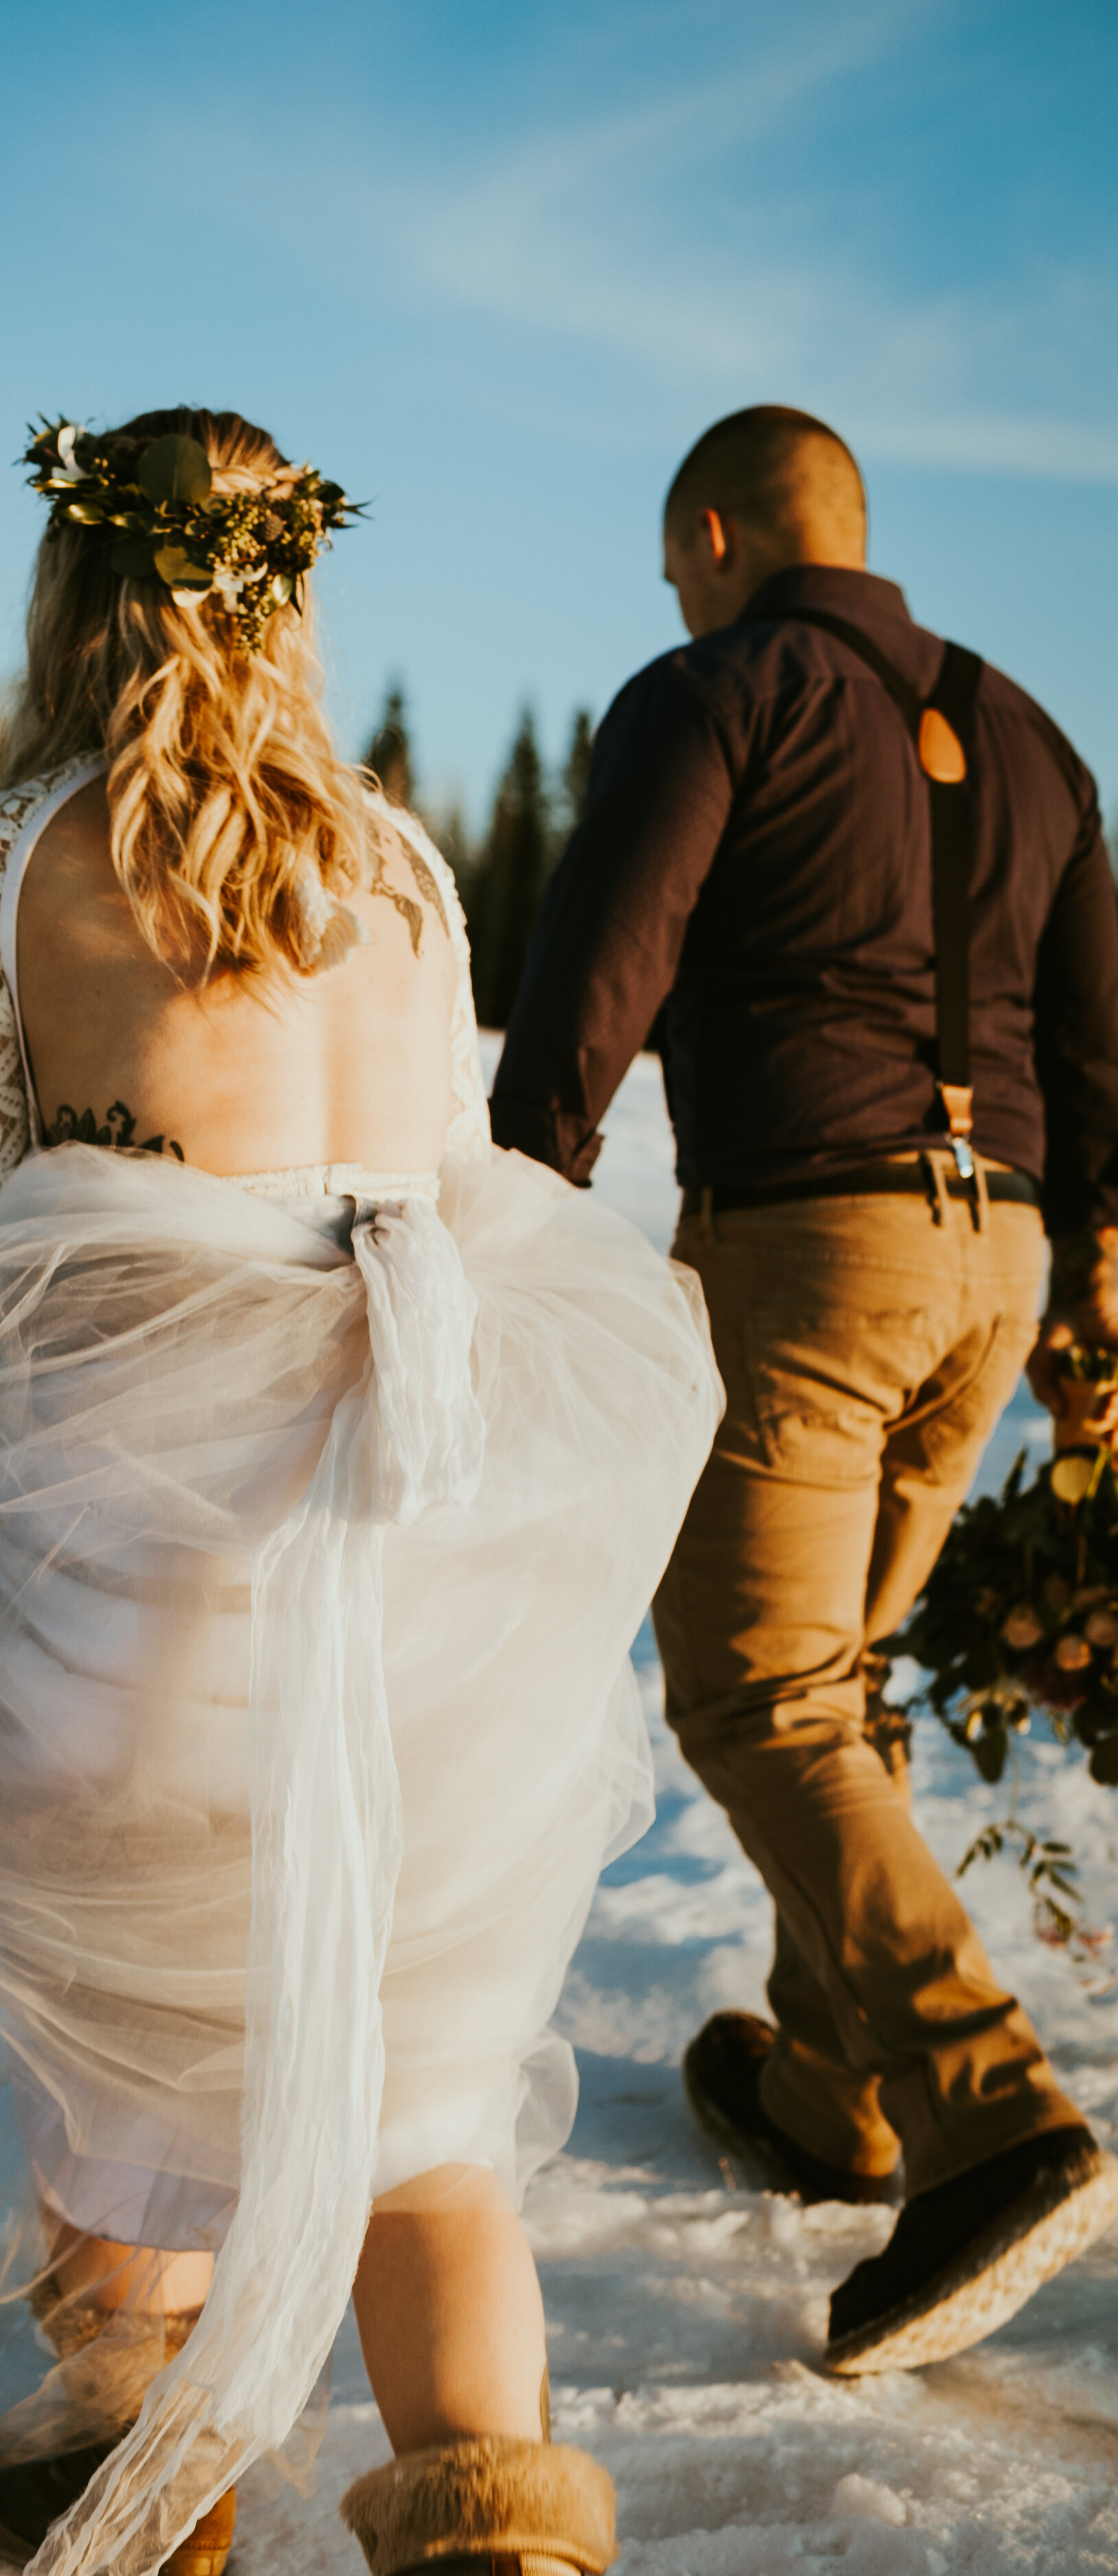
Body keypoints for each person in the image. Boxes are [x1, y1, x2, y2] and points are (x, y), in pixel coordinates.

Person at [0, 407, 719, 2576]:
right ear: (294, 589)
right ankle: (493, 2542)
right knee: (421, 2118)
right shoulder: (400, 866)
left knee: (121, 2030)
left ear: (74, 587)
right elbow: (448, 1186)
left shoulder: (0, 856)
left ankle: (133, 2473)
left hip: (135, 1578)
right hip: (405, 1572)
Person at [491, 403, 1118, 2377]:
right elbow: (1100, 1043)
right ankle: (839, 2096)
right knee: (831, 1675)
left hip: (816, 1251)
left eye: (669, 556)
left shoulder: (717, 685)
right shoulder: (1028, 729)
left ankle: (987, 2116)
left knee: (753, 1685)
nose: (664, 585)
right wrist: (1095, 1287)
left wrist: (519, 1195)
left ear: (709, 531)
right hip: (993, 1262)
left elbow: (613, 938)